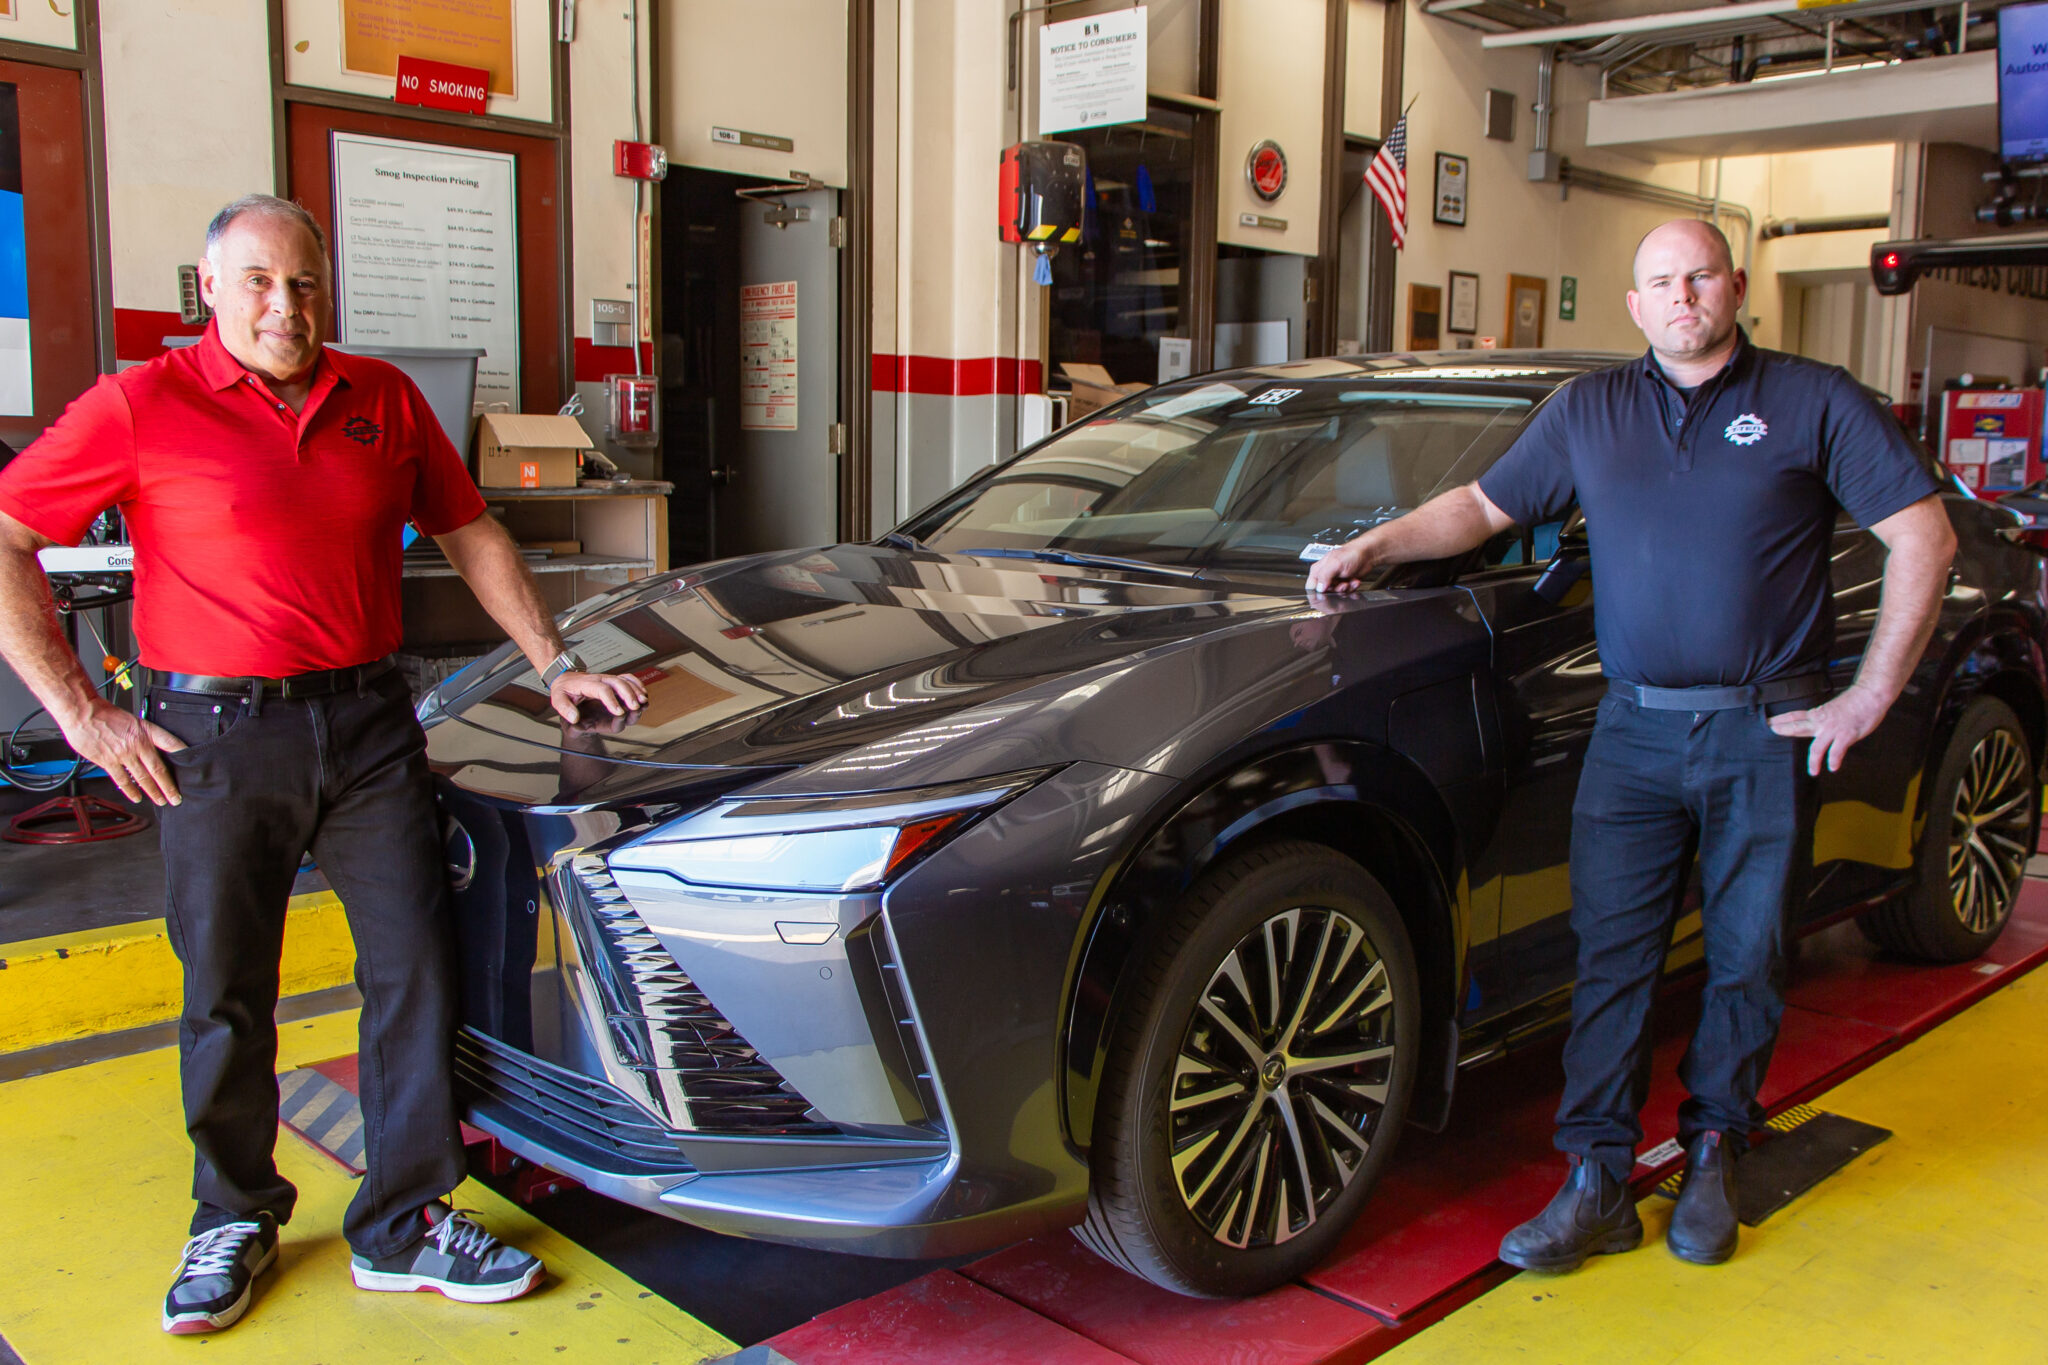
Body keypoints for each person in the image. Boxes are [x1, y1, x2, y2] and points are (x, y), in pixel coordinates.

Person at [0, 195, 649, 1333]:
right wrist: (82, 716)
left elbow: (469, 527)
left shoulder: (382, 398)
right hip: (209, 742)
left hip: (366, 731)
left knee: (414, 971)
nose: (282, 307)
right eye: (256, 282)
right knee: (226, 991)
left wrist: (554, 662)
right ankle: (233, 1212)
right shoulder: (141, 404)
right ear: (207, 289)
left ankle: (403, 1221)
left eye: (302, 284)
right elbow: (7, 533)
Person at [1307, 218, 1954, 1269]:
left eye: (1698, 276)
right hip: (1631, 732)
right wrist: (1372, 545)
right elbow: (1479, 505)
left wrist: (1867, 694)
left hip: (1761, 725)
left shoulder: (1810, 398)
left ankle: (1710, 1152)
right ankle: (1595, 1179)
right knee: (1609, 960)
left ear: (1732, 285)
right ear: (1634, 304)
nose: (1682, 295)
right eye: (1661, 281)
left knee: (1746, 955)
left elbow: (1919, 535)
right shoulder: (1590, 410)